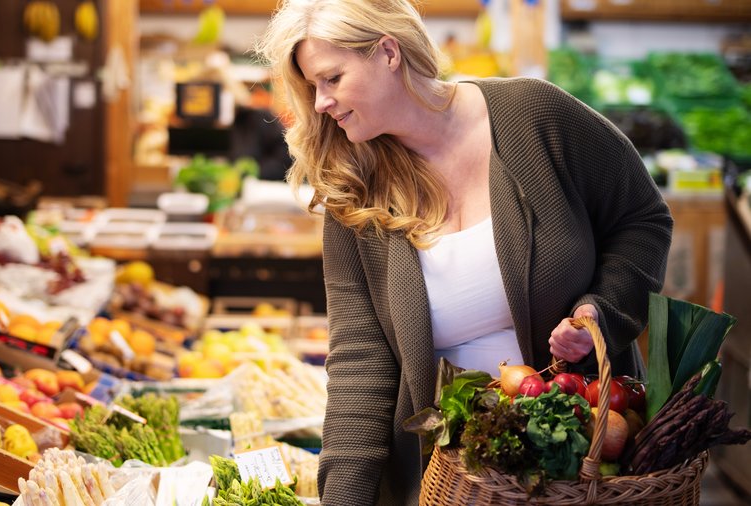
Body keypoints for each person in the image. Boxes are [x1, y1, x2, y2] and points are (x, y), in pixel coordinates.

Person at [255, 0, 673, 504]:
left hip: (582, 465)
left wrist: (601, 309)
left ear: (388, 52)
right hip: (451, 483)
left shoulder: (535, 118)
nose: (321, 103)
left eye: (332, 79)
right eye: (312, 88)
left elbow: (642, 220)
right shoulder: (353, 186)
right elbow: (360, 363)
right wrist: (344, 496)